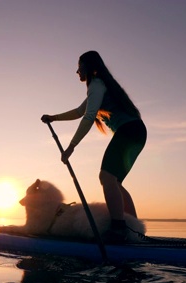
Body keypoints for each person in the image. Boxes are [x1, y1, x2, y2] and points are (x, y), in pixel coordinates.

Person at [41, 50, 147, 243]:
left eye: (79, 66)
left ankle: (119, 229)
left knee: (106, 177)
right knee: (113, 181)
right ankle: (134, 229)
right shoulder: (100, 86)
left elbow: (89, 117)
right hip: (137, 132)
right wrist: (54, 118)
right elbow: (80, 111)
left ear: (88, 66)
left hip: (130, 131)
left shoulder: (97, 84)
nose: (77, 71)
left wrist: (71, 147)